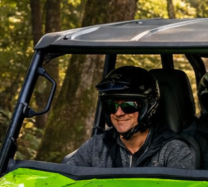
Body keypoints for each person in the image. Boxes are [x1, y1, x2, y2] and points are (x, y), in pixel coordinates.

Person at [65, 66, 195, 169]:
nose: (119, 113)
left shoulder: (173, 150)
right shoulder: (97, 146)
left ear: (147, 108)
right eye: (111, 105)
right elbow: (67, 179)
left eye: (128, 106)